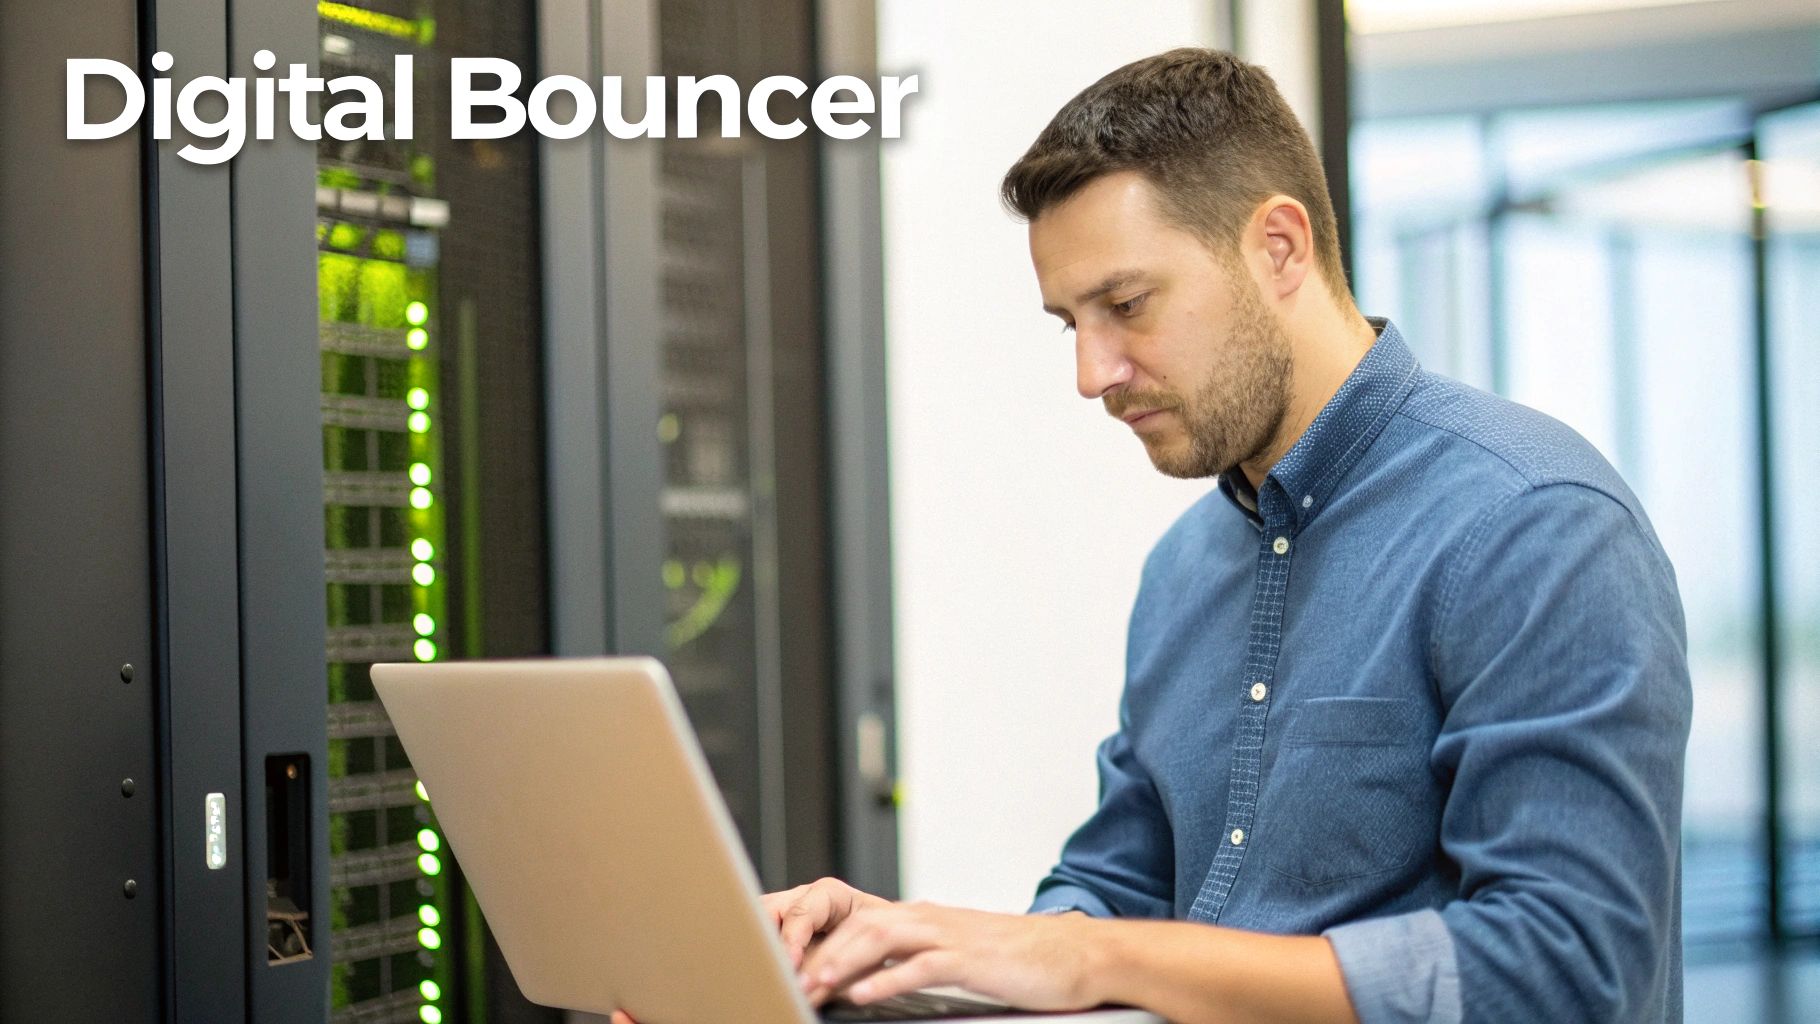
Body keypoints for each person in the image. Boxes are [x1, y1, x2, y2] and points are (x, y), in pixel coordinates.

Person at [614, 47, 1691, 1024]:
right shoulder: (1186, 568)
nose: (1090, 374)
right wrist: (900, 958)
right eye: (1069, 323)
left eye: (1125, 305)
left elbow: (1566, 971)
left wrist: (1088, 958)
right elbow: (1113, 892)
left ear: (1277, 246)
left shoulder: (1531, 524)